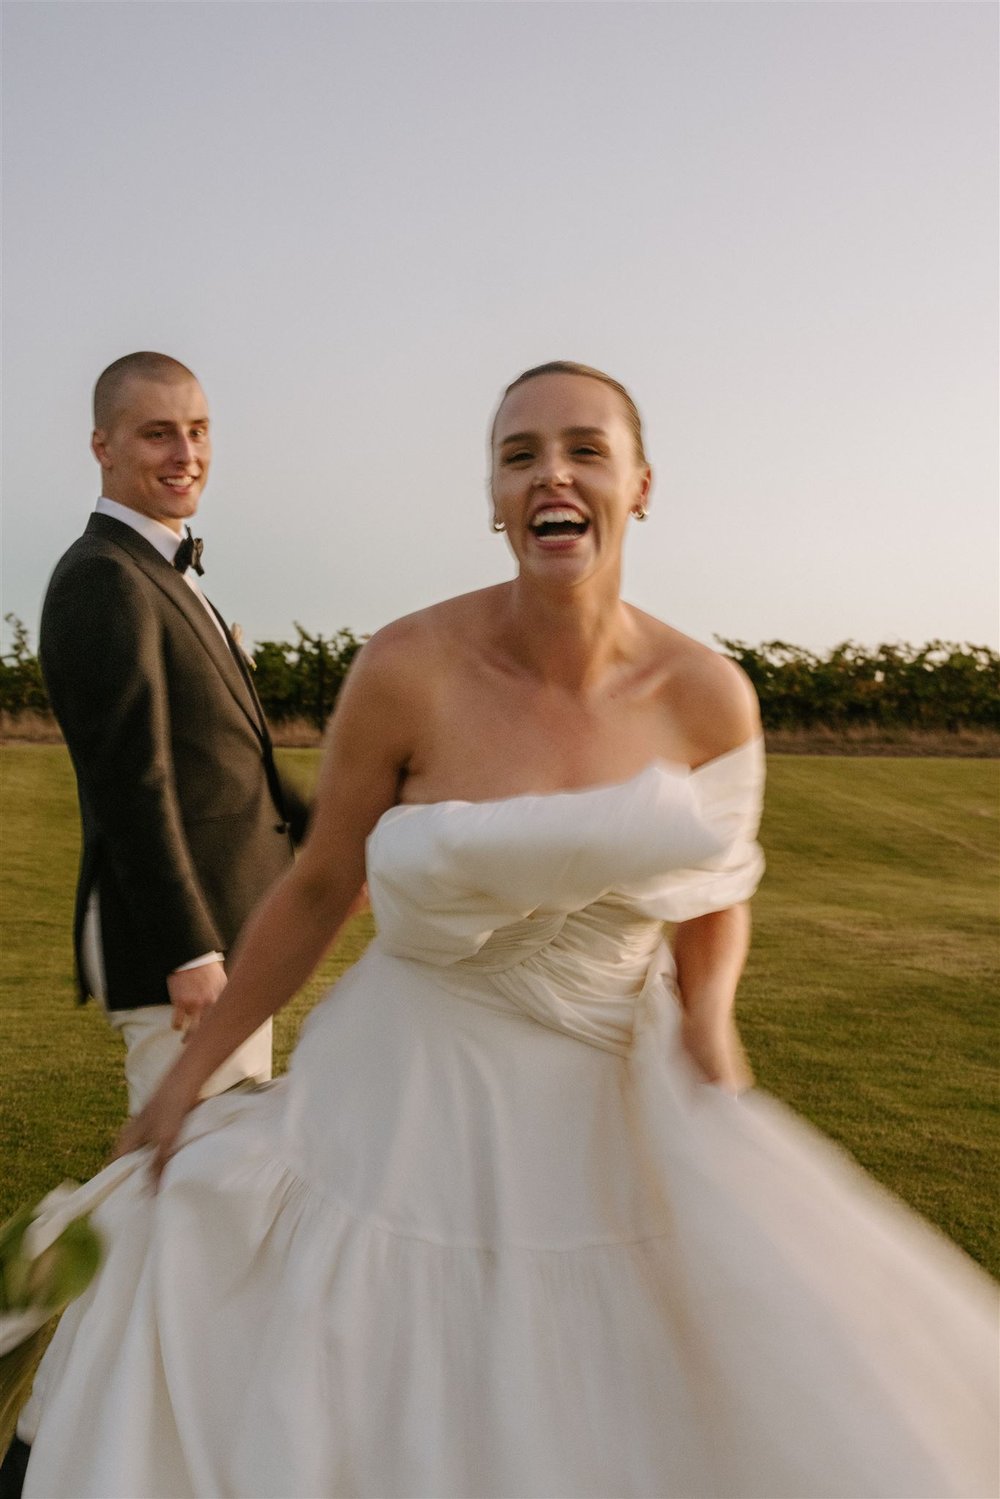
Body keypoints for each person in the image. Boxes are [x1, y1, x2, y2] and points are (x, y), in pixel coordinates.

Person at [16, 363, 997, 1498]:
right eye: (519, 453)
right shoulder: (406, 666)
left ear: (640, 483)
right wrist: (189, 1075)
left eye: (583, 447)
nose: (552, 473)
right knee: (304, 1332)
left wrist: (711, 1028)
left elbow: (717, 889)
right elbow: (320, 880)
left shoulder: (708, 695)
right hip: (398, 1093)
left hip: (603, 1097)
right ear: (494, 497)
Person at [37, 352, 306, 1117]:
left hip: (239, 936)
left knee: (219, 1185)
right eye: (159, 434)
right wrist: (189, 952)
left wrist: (344, 839)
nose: (186, 455)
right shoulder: (103, 577)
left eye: (198, 430)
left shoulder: (167, 571)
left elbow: (234, 761)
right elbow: (133, 786)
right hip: (183, 959)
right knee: (186, 1185)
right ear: (103, 446)